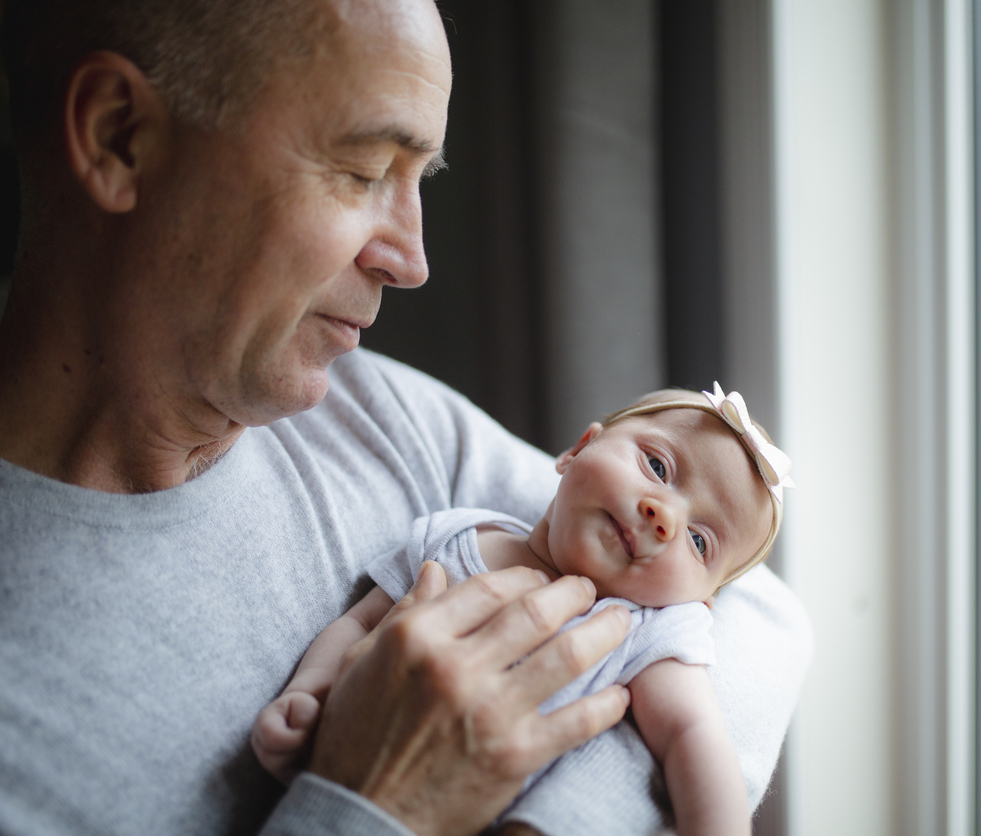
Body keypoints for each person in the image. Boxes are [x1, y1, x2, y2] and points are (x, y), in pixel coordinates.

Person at [0, 0, 813, 834]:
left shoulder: (379, 415)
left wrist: (545, 814)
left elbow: (761, 622)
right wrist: (377, 811)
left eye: (419, 180)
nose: (413, 261)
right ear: (118, 135)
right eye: (361, 172)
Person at [254, 385, 796, 836]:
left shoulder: (648, 629)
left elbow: (694, 738)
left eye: (699, 542)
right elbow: (361, 622)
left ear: (702, 601)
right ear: (578, 449)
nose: (664, 516)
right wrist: (313, 690)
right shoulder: (457, 534)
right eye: (657, 465)